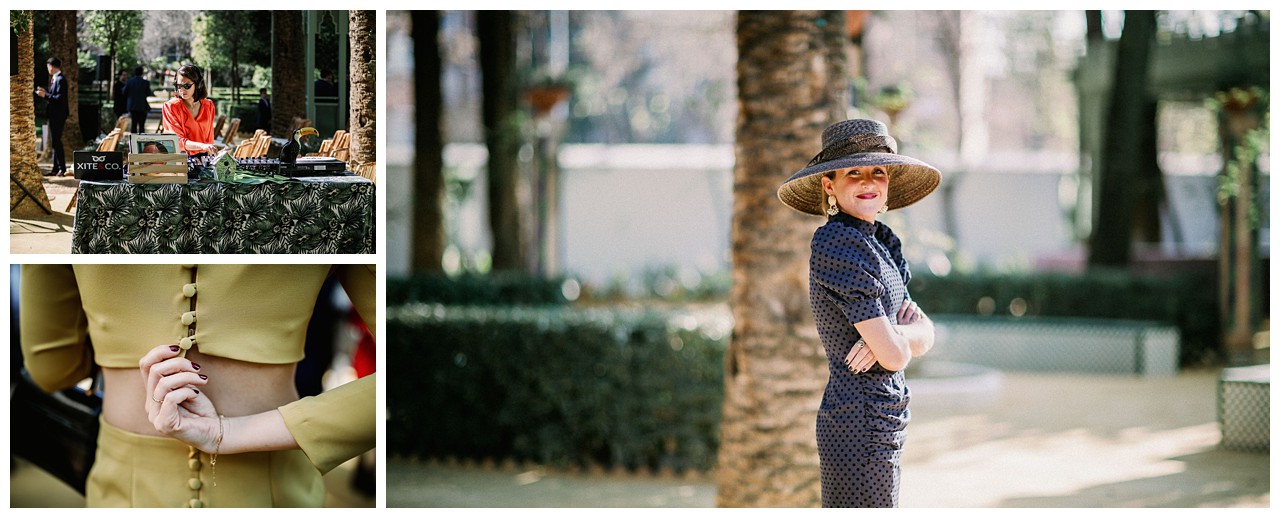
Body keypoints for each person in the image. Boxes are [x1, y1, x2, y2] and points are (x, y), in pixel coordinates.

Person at [19, 264, 376, 507]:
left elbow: (52, 367)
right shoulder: (329, 199)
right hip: (275, 488)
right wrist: (232, 431)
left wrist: (117, 340)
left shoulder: (89, 195)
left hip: (125, 490)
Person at [776, 118, 940, 507]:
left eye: (878, 171)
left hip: (887, 412)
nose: (869, 181)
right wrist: (900, 340)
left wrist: (902, 335)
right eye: (854, 172)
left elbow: (922, 330)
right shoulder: (836, 243)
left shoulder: (882, 240)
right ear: (829, 185)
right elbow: (896, 355)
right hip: (857, 419)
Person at [161, 64, 218, 156]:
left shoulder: (209, 105)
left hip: (204, 159)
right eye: (179, 85)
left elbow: (209, 138)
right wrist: (203, 146)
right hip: (180, 159)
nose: (182, 89)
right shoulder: (171, 107)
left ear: (198, 85)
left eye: (187, 85)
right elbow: (177, 141)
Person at [35, 57, 69, 176]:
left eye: (48, 66)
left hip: (59, 115)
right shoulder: (55, 79)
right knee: (55, 141)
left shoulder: (60, 79)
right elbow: (54, 96)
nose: (48, 69)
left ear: (52, 66)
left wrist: (45, 95)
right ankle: (56, 169)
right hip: (54, 115)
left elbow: (59, 99)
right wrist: (46, 93)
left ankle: (62, 168)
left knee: (57, 141)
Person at [124, 66, 153, 135]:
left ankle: (133, 141)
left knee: (133, 125)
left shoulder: (129, 81)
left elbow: (124, 92)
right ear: (142, 73)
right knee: (142, 126)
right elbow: (148, 93)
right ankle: (141, 142)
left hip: (132, 106)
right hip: (142, 106)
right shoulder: (145, 82)